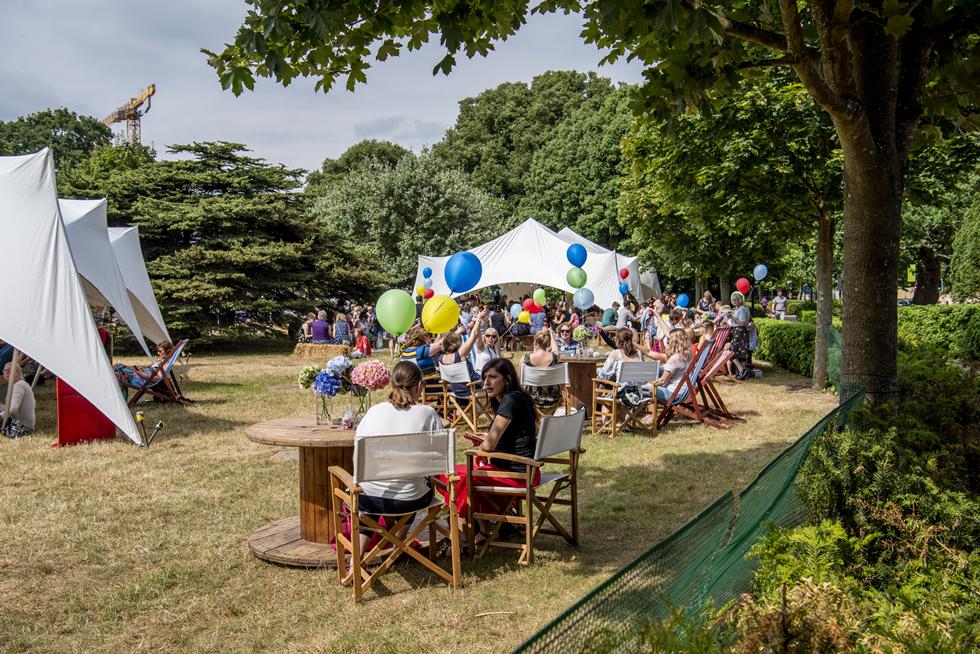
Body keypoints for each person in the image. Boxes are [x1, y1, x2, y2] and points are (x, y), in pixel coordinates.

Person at [351, 361, 444, 560]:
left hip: (369, 497)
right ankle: (398, 546)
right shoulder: (427, 413)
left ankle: (356, 560)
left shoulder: (374, 412)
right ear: (420, 386)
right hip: (409, 500)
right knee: (411, 486)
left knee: (376, 492)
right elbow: (439, 460)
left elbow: (357, 453)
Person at [442, 358, 539, 526]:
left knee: (450, 475)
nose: (486, 383)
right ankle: (484, 528)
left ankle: (465, 534)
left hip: (515, 475)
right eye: (484, 377)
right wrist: (487, 438)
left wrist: (482, 445)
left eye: (492, 377)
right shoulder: (521, 397)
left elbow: (488, 446)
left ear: (507, 379)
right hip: (528, 470)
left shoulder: (509, 400)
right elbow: (515, 435)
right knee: (461, 475)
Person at [437, 313, 483, 398]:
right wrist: (479, 318)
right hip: (472, 387)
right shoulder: (460, 354)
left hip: (455, 391)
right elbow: (474, 334)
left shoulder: (441, 358)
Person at [521, 330, 563, 408]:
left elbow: (520, 379)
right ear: (547, 344)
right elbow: (555, 349)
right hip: (553, 399)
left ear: (535, 342)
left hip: (531, 399)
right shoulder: (554, 357)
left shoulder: (525, 358)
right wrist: (551, 333)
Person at [651, 329, 693, 403]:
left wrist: (648, 382)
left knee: (642, 388)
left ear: (673, 341)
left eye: (669, 339)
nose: (667, 342)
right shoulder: (688, 354)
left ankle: (648, 413)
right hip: (683, 393)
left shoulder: (675, 358)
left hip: (672, 394)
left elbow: (662, 381)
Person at [1, 361, 36, 437]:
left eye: (9, 370)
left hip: (20, 428)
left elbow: (13, 409)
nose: (6, 372)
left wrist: (0, 416)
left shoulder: (19, 385)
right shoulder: (20, 384)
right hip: (24, 426)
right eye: (4, 370)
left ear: (17, 372)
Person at [729, 292, 751, 379]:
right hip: (738, 332)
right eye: (733, 300)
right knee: (740, 354)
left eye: (736, 299)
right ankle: (742, 373)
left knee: (731, 351)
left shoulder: (742, 309)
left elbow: (741, 323)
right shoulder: (739, 309)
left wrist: (732, 317)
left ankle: (742, 371)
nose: (734, 301)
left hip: (739, 332)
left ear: (740, 300)